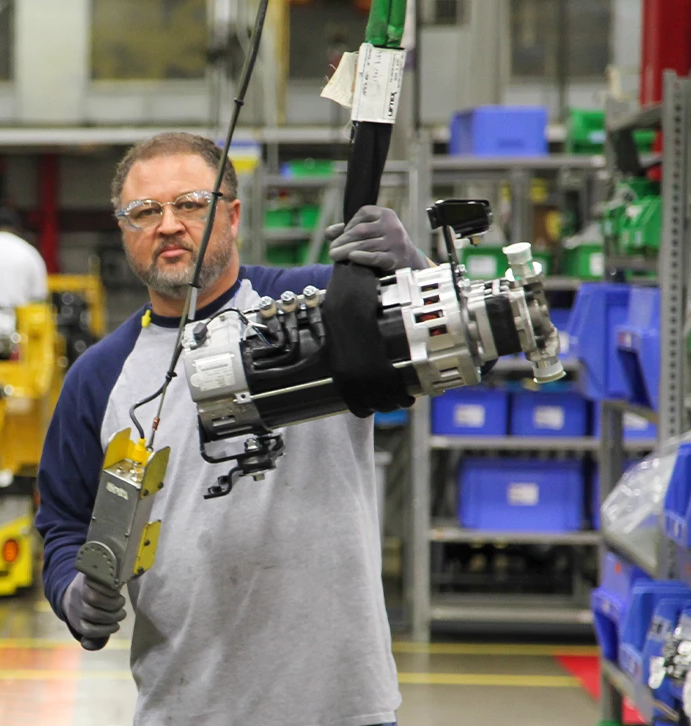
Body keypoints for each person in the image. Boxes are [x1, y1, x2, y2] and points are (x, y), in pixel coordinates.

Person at [34, 132, 425, 725]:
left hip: (343, 706)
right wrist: (71, 591)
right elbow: (64, 521)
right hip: (186, 707)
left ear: (233, 215)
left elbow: (478, 345)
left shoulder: (322, 308)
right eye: (145, 211)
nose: (168, 225)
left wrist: (413, 276)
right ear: (124, 230)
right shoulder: (98, 377)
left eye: (191, 203)